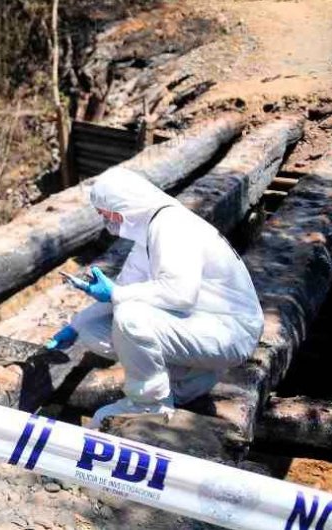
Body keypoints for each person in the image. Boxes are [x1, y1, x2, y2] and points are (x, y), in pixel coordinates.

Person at [45, 167, 263, 428]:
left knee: (130, 317)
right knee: (93, 330)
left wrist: (116, 294)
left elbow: (180, 294)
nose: (105, 219)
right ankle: (186, 382)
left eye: (104, 212)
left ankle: (148, 404)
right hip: (204, 325)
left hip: (231, 332)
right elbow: (124, 289)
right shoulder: (149, 235)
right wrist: (76, 324)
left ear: (122, 206)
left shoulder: (171, 225)